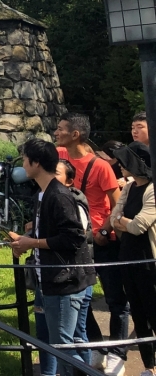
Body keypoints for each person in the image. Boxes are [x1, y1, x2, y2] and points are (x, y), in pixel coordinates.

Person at [10, 138, 90, 376]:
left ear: (36, 162)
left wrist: (32, 242)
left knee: (63, 345)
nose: (22, 164)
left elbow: (74, 238)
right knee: (58, 344)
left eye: (25, 159)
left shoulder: (59, 195)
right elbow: (46, 237)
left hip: (63, 282)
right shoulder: (42, 195)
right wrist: (24, 243)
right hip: (47, 279)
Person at [54, 112, 124, 372]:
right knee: (81, 297)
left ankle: (118, 350)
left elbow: (117, 204)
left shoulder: (101, 166)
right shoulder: (59, 156)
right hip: (76, 239)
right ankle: (96, 345)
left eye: (61, 129)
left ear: (75, 134)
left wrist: (104, 232)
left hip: (100, 239)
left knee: (115, 298)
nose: (56, 132)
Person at [111, 142, 156, 376]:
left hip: (148, 262)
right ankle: (150, 366)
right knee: (138, 315)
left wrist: (123, 222)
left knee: (153, 311)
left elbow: (139, 226)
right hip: (127, 258)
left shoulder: (152, 189)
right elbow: (113, 218)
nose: (120, 165)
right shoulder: (128, 189)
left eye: (125, 161)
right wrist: (124, 222)